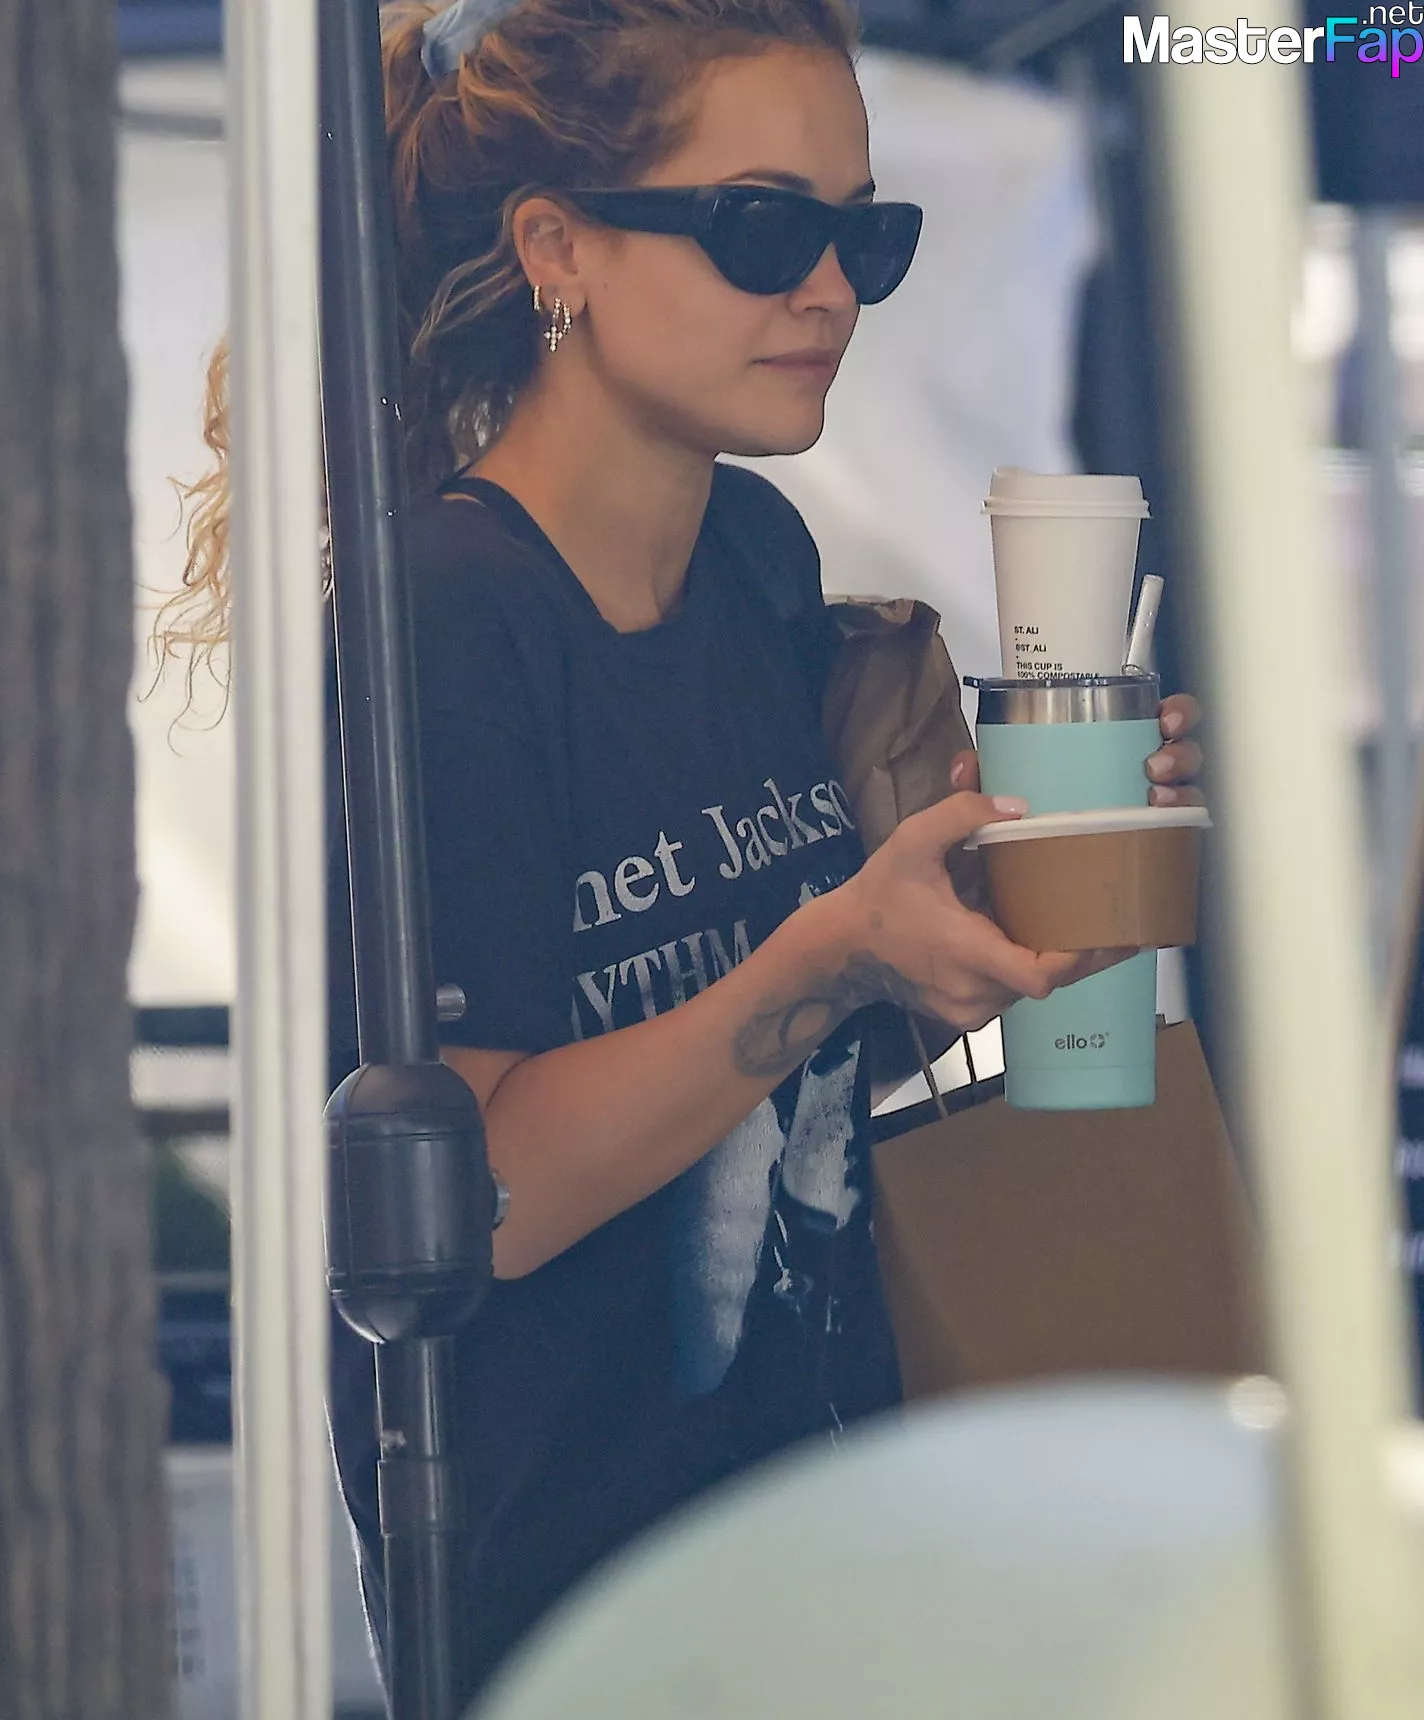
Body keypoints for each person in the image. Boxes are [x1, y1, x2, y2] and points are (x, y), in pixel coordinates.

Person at [164, 0, 1203, 1693]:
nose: (831, 291)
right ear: (557, 247)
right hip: (590, 1609)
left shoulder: (754, 559)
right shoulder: (452, 616)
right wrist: (837, 951)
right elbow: (480, 1195)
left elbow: (809, 1067)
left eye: (869, 236)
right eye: (762, 228)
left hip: (825, 1541)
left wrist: (1000, 891)